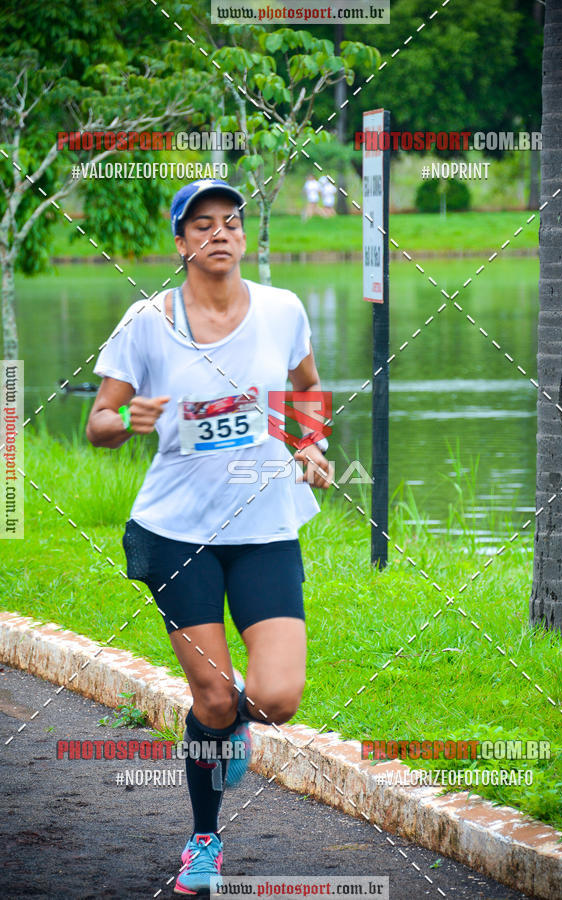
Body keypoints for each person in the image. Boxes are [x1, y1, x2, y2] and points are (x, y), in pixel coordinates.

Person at [86, 179, 332, 895]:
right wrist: (124, 423)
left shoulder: (283, 309)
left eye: (230, 222)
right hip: (176, 534)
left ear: (243, 236)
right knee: (216, 699)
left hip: (265, 527)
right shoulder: (148, 321)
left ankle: (228, 731)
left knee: (277, 697)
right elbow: (99, 421)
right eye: (202, 224)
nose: (219, 233)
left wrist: (310, 443)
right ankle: (204, 840)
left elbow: (306, 388)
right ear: (181, 243)